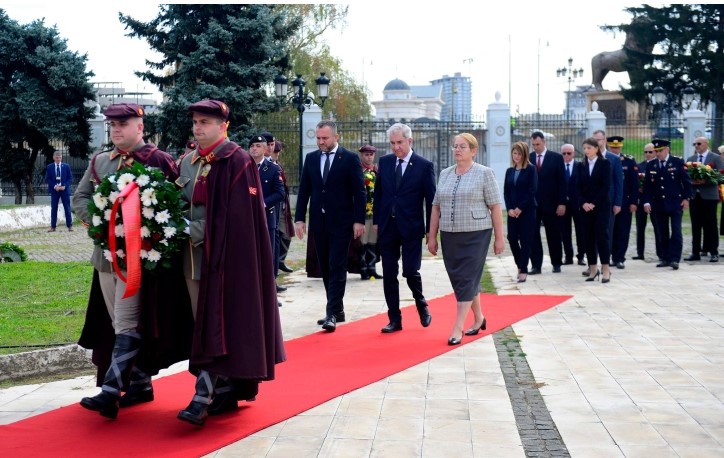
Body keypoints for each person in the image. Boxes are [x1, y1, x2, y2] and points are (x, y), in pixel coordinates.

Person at [72, 103, 187, 419]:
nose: (116, 129)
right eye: (112, 124)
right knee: (116, 324)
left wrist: (151, 234)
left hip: (143, 262)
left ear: (140, 127)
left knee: (127, 321)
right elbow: (80, 198)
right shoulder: (100, 162)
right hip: (107, 259)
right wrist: (100, 222)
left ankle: (110, 391)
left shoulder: (159, 161)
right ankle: (139, 382)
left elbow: (176, 206)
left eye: (123, 123)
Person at [176, 100, 285, 426]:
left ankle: (202, 397)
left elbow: (237, 220)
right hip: (192, 263)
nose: (198, 128)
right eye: (195, 122)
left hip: (225, 265)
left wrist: (192, 229)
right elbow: (178, 200)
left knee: (217, 326)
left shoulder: (237, 160)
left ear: (223, 125)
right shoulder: (188, 162)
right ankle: (222, 392)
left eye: (205, 122)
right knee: (203, 327)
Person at [427, 133, 504, 346]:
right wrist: (432, 235)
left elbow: (495, 206)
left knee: (467, 278)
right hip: (450, 235)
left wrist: (499, 238)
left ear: (473, 150)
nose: (457, 150)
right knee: (460, 280)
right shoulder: (445, 174)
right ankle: (479, 318)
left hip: (477, 234)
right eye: (455, 146)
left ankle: (457, 327)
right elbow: (436, 206)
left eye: (462, 146)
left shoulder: (484, 173)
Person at [295, 120, 366, 332]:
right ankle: (338, 308)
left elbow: (359, 192)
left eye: (324, 138)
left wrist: (359, 220)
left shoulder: (350, 158)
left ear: (336, 137)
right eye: (318, 138)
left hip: (342, 223)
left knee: (337, 265)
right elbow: (304, 191)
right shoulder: (311, 158)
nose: (321, 142)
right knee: (325, 266)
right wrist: (299, 219)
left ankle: (331, 313)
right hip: (319, 222)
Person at [373, 124, 436, 333]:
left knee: (410, 271)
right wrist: (376, 223)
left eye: (399, 142)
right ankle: (394, 319)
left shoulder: (424, 166)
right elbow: (379, 194)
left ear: (410, 141)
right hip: (387, 228)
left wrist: (431, 231)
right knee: (389, 273)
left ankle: (421, 304)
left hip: (411, 228)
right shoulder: (385, 162)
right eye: (392, 143)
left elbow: (431, 201)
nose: (396, 147)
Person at [642, 139, 692, 270]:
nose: (658, 154)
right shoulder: (651, 165)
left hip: (676, 202)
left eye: (660, 151)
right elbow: (647, 186)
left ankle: (675, 259)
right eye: (656, 151)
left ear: (667, 150)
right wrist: (647, 201)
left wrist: (686, 198)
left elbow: (686, 182)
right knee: (662, 232)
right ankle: (665, 257)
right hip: (659, 204)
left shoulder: (677, 162)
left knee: (676, 231)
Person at [249, 135, 286, 293]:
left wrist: (262, 203)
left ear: (265, 149)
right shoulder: (243, 168)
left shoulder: (273, 169)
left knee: (267, 256)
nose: (254, 148)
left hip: (266, 218)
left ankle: (269, 294)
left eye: (258, 146)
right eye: (252, 146)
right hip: (248, 218)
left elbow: (280, 193)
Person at [529, 131, 566, 275]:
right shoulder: (530, 158)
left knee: (554, 234)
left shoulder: (556, 158)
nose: (536, 147)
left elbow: (562, 182)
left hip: (552, 203)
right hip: (533, 204)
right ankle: (536, 265)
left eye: (538, 144)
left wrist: (562, 202)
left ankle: (556, 263)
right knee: (533, 234)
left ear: (544, 142)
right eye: (533, 145)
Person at [576, 137, 612, 283]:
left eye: (589, 148)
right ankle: (593, 269)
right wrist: (583, 203)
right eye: (584, 148)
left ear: (596, 149)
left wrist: (593, 203)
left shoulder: (605, 163)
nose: (586, 151)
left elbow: (605, 186)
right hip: (585, 208)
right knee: (588, 237)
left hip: (601, 206)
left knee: (602, 236)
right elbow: (577, 187)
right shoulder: (581, 165)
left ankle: (606, 269)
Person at [685, 136, 723, 262]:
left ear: (706, 144)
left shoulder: (715, 158)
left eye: (699, 143)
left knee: (710, 224)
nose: (696, 146)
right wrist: (693, 181)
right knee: (696, 224)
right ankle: (695, 251)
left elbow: (721, 176)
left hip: (709, 196)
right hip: (695, 195)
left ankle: (713, 251)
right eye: (694, 144)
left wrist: (706, 180)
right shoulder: (691, 159)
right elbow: (685, 177)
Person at [504, 141, 537, 283]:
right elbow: (506, 192)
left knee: (525, 240)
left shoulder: (531, 169)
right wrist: (510, 208)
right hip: (512, 212)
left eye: (518, 153)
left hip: (527, 211)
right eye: (514, 153)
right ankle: (520, 264)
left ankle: (523, 269)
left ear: (524, 154)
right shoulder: (509, 171)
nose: (516, 156)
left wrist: (520, 208)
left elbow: (532, 191)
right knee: (511, 238)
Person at [607, 136, 639, 269]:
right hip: (609, 201)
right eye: (613, 147)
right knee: (609, 231)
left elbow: (634, 183)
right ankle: (607, 257)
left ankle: (619, 258)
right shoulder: (605, 160)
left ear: (621, 147)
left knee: (623, 230)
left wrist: (633, 202)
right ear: (609, 146)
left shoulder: (629, 161)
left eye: (617, 147)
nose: (615, 149)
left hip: (625, 202)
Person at [357, 144, 384, 280]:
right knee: (362, 241)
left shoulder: (377, 171)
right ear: (361, 155)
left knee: (372, 241)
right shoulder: (358, 171)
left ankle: (372, 268)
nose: (369, 157)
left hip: (375, 212)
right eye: (366, 154)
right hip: (361, 212)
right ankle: (363, 269)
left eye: (371, 154)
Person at [559, 144, 586, 266]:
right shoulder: (559, 167)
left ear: (574, 153)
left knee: (580, 231)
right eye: (564, 153)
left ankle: (581, 256)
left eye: (568, 153)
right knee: (565, 231)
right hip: (564, 204)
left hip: (578, 204)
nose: (566, 156)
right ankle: (568, 256)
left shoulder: (580, 166)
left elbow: (584, 186)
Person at [633, 144, 660, 261]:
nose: (648, 154)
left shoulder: (658, 165)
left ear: (655, 152)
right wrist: (638, 187)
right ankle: (640, 252)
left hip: (655, 201)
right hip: (641, 200)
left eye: (650, 152)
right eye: (646, 152)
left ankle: (661, 252)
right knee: (640, 227)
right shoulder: (639, 166)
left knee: (658, 227)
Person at [271, 140, 294, 273]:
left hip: (283, 203)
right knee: (277, 234)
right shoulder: (269, 165)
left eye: (278, 152)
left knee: (286, 233)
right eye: (275, 152)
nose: (277, 154)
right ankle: (276, 263)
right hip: (273, 204)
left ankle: (280, 261)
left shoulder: (278, 165)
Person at [45, 151, 73, 232]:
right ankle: (53, 226)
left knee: (67, 207)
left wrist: (65, 186)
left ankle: (70, 225)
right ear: (54, 158)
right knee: (54, 208)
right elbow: (47, 179)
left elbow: (70, 178)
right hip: (55, 190)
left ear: (61, 158)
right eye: (57, 157)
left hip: (64, 190)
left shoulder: (66, 166)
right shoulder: (50, 167)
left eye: (59, 157)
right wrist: (54, 186)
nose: (58, 159)